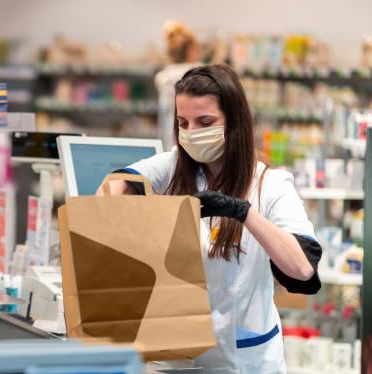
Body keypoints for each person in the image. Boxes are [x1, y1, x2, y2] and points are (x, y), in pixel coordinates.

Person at [100, 64, 322, 373]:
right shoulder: (175, 166)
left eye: (205, 122)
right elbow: (114, 185)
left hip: (242, 360)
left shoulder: (271, 184)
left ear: (235, 122)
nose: (191, 133)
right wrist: (122, 203)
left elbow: (301, 269)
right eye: (183, 123)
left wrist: (242, 212)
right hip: (177, 359)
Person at [155, 20, 202, 151]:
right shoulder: (200, 74)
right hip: (192, 148)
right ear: (191, 50)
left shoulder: (162, 77)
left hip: (166, 146)